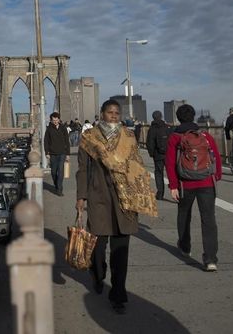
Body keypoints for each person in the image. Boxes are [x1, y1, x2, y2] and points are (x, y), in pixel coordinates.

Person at [76, 99, 157, 314]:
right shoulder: (89, 138)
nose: (114, 116)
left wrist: (143, 189)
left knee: (121, 251)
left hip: (125, 199)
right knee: (98, 247)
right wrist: (81, 196)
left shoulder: (129, 137)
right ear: (101, 113)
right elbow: (82, 169)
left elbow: (137, 164)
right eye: (110, 112)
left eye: (117, 113)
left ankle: (118, 294)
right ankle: (97, 273)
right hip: (99, 197)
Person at [165, 104, 222, 272]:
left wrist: (173, 186)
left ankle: (185, 246)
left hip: (185, 183)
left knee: (184, 215)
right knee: (209, 220)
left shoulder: (175, 136)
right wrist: (216, 177)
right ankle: (211, 259)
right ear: (193, 116)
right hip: (206, 182)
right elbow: (216, 157)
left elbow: (170, 162)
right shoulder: (204, 135)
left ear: (178, 118)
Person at [146, 110, 173, 200]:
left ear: (153, 117)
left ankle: (160, 193)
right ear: (161, 116)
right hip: (168, 154)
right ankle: (176, 191)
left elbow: (149, 143)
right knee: (171, 172)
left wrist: (152, 153)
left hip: (158, 155)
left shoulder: (152, 129)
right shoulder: (167, 127)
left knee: (158, 173)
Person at [44, 111, 70, 196]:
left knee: (60, 170)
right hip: (52, 153)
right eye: (53, 120)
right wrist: (46, 152)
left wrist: (68, 154)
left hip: (62, 152)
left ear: (59, 119)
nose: (55, 121)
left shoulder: (63, 128)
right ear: (51, 120)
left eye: (56, 120)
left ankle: (59, 189)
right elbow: (46, 141)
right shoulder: (49, 129)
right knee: (54, 172)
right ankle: (56, 185)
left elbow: (67, 141)